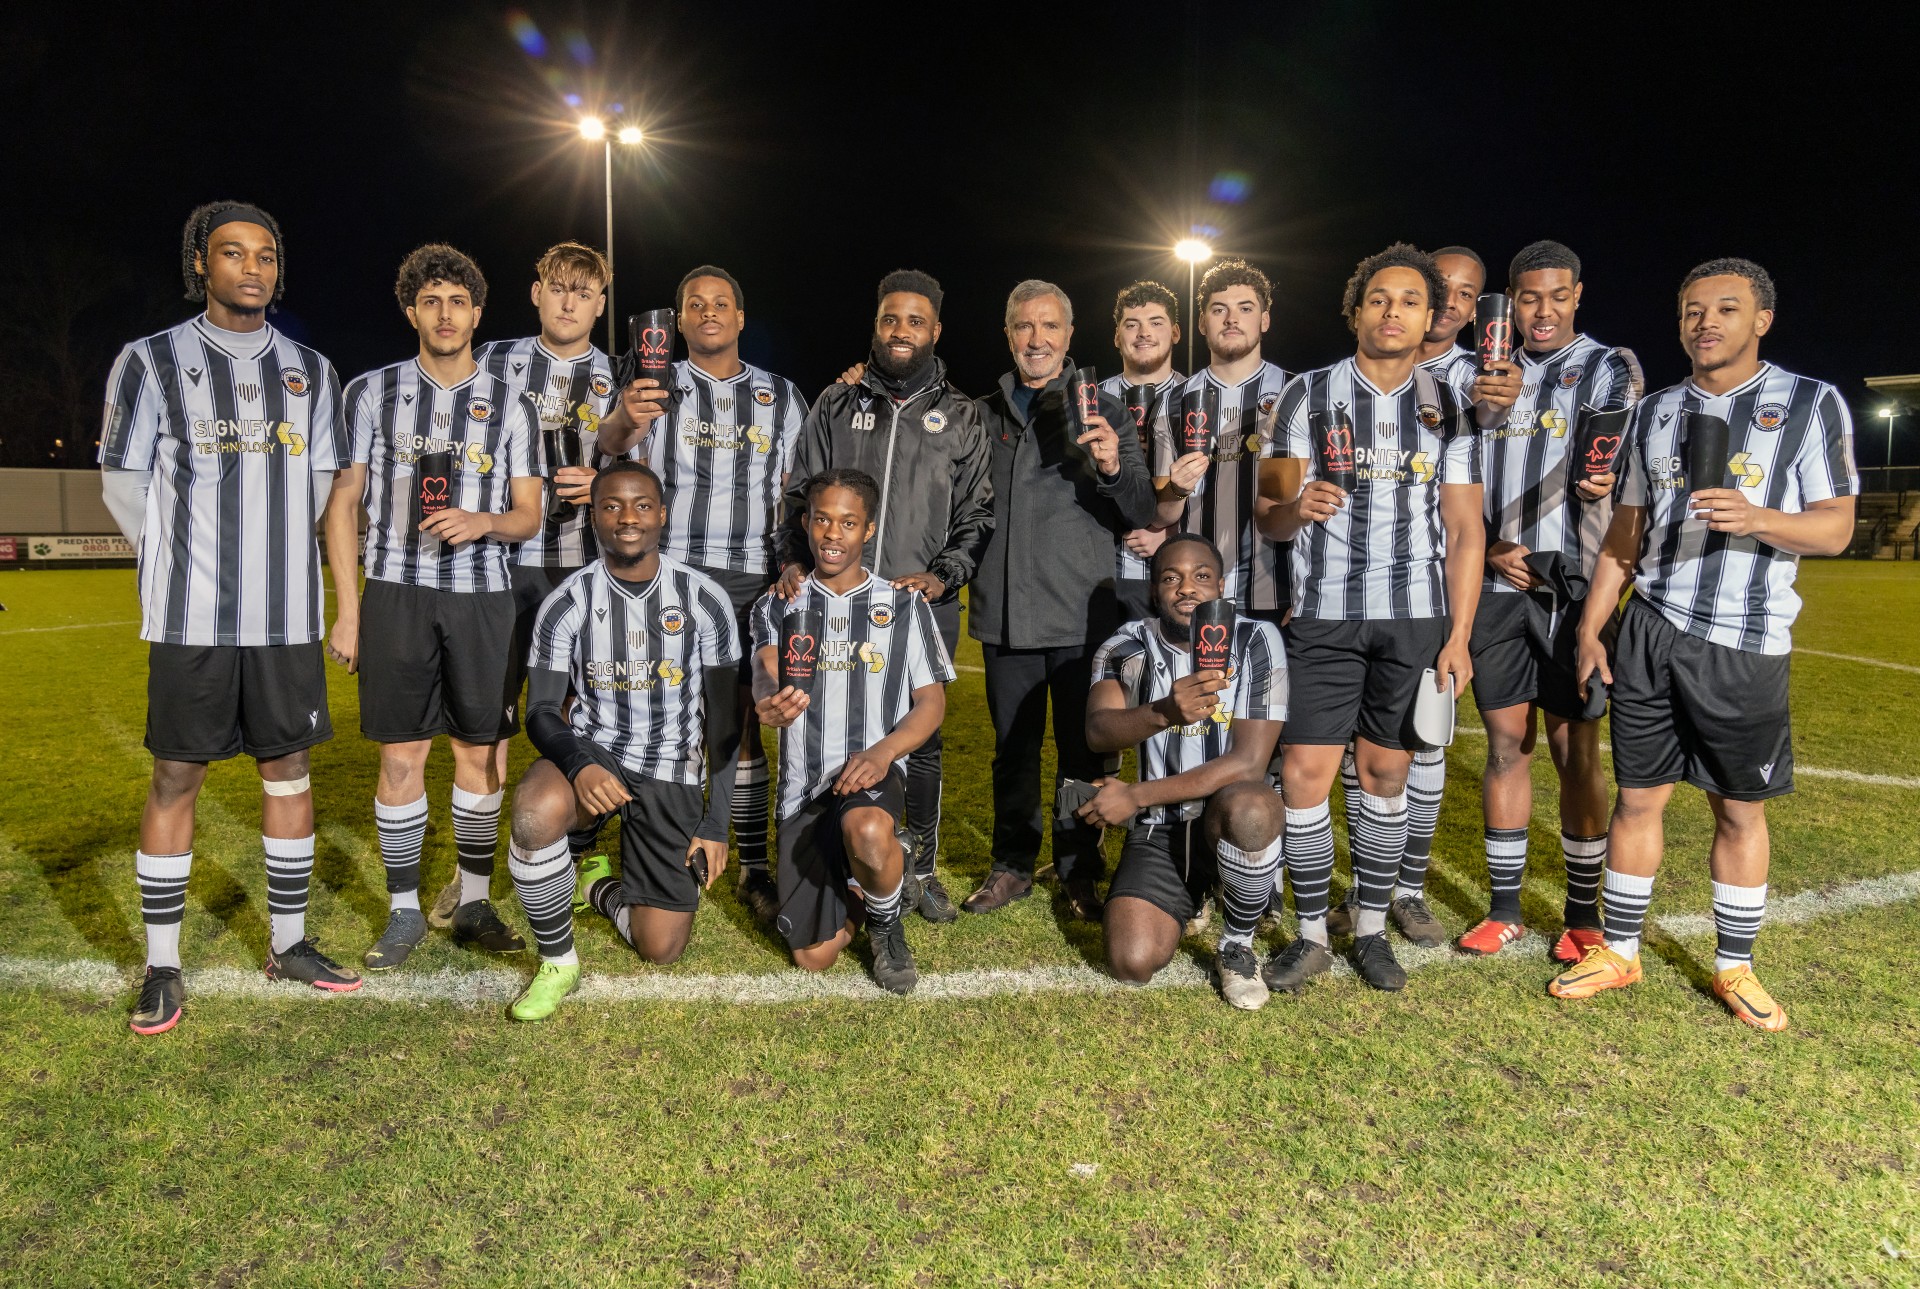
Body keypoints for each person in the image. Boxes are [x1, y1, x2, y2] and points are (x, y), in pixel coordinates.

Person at [1550, 258, 1857, 1032]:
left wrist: (1756, 518)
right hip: (1651, 627)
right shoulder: (1653, 412)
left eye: (1726, 308)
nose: (1706, 322)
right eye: (1692, 310)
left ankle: (1734, 965)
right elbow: (1625, 531)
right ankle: (1618, 949)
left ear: (1761, 321)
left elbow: (1836, 527)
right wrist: (1593, 625)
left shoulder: (1811, 403)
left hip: (1743, 639)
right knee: (1638, 797)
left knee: (1738, 810)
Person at [101, 201, 362, 1034]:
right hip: (191, 621)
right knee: (177, 777)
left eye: (265, 256)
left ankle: (289, 943)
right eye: (232, 253)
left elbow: (327, 490)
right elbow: (122, 484)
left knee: (289, 774)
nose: (252, 267)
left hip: (284, 617)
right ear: (201, 266)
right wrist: (178, 562)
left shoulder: (312, 371)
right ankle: (164, 965)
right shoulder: (149, 361)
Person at [1259, 243, 1483, 994]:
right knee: (1304, 774)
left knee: (1388, 772)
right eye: (1379, 299)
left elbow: (1465, 529)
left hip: (1415, 618)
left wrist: (1457, 634)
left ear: (1430, 316)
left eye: (1410, 301)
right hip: (1324, 613)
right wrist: (1297, 506)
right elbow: (1268, 512)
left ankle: (1371, 926)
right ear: (1356, 310)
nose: (1393, 312)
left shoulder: (1452, 404)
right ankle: (1313, 931)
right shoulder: (1305, 395)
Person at [324, 243, 541, 971]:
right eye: (431, 301)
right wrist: (349, 610)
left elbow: (529, 513)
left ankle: (473, 900)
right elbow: (343, 505)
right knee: (402, 754)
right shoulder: (371, 392)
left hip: (483, 597)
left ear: (477, 313)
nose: (445, 314)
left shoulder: (513, 401)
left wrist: (484, 521)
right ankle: (404, 910)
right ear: (411, 309)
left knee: (479, 754)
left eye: (458, 302)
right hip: (397, 592)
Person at [774, 269, 993, 923]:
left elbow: (978, 513)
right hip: (835, 603)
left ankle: (920, 868)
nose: (902, 331)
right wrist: (791, 558)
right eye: (891, 318)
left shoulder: (962, 415)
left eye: (916, 320)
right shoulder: (836, 404)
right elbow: (798, 493)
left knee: (918, 740)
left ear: (936, 331)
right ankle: (834, 854)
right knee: (822, 723)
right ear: (876, 324)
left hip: (919, 605)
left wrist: (943, 573)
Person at [415, 241, 622, 929]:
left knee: (581, 718)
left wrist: (603, 485)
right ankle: (471, 876)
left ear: (600, 302)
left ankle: (579, 851)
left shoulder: (618, 374)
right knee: (487, 728)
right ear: (536, 292)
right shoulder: (495, 360)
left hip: (587, 574)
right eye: (557, 286)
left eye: (583, 291)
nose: (568, 300)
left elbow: (648, 476)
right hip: (499, 571)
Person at [596, 266, 807, 929]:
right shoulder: (654, 389)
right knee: (661, 715)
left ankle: (751, 867)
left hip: (752, 577)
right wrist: (626, 417)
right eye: (695, 304)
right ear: (679, 321)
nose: (709, 312)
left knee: (743, 723)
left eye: (722, 303)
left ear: (741, 318)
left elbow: (796, 491)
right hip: (675, 577)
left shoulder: (779, 394)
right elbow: (611, 452)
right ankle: (637, 844)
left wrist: (792, 560)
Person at [1452, 240, 1644, 961]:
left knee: (1574, 751)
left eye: (1556, 295)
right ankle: (1505, 910)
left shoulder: (1608, 366)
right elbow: (1462, 471)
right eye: (1527, 296)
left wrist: (1598, 483)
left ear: (1577, 295)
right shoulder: (1481, 375)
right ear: (1509, 301)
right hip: (1499, 584)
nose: (1542, 309)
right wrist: (1491, 541)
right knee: (1506, 746)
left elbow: (1613, 463)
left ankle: (1584, 913)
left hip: (1571, 586)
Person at [499, 462, 743, 1020]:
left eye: (640, 505)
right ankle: (558, 961)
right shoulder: (567, 602)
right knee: (536, 815)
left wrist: (714, 823)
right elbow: (539, 711)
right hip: (595, 752)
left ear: (661, 513)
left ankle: (598, 888)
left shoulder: (705, 600)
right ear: (594, 516)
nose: (626, 518)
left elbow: (727, 721)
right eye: (611, 506)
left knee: (661, 948)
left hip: (670, 767)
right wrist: (580, 764)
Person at [964, 280, 1157, 920]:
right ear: (1009, 335)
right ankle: (1012, 865)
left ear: (1070, 337)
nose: (1037, 339)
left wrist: (1109, 466)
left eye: (1050, 327)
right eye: (1024, 326)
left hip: (1084, 618)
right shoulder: (981, 412)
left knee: (1082, 753)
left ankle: (1080, 869)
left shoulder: (1105, 408)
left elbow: (1140, 510)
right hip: (1006, 615)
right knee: (1012, 750)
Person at [1329, 245, 1488, 945]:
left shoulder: (1477, 384)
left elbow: (1464, 523)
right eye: (1435, 289)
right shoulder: (1326, 389)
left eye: (1460, 293)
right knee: (1332, 758)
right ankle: (1348, 897)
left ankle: (1407, 889)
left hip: (1427, 600)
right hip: (1334, 603)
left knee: (1417, 749)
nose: (1444, 301)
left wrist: (1458, 631)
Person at [749, 469, 955, 994]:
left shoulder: (904, 604)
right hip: (804, 788)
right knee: (813, 957)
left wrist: (884, 752)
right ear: (806, 523)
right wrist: (767, 703)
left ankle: (886, 927)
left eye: (848, 522)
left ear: (868, 530)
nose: (833, 534)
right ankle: (880, 872)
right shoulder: (778, 603)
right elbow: (766, 669)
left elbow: (931, 703)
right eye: (822, 520)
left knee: (865, 827)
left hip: (870, 774)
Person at [1083, 535, 1288, 1009]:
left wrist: (1135, 795)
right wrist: (1163, 713)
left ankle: (1237, 943)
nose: (1186, 588)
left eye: (1201, 577)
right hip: (1162, 828)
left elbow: (1248, 762)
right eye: (1171, 578)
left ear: (1221, 586)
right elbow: (1098, 731)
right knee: (1130, 961)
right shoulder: (1126, 643)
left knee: (1252, 806)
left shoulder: (1257, 638)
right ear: (1155, 591)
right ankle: (1199, 891)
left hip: (1229, 815)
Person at [1150, 260, 1292, 625]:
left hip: (1281, 588)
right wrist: (1177, 490)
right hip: (1197, 595)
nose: (1232, 319)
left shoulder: (1298, 393)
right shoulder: (1174, 400)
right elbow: (1163, 512)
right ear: (1202, 323)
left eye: (1245, 308)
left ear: (1264, 320)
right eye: (1219, 310)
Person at [1100, 281, 1185, 621]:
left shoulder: (1198, 397)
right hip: (1101, 575)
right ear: (1117, 336)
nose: (1143, 333)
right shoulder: (1092, 400)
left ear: (1176, 332)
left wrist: (1173, 530)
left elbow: (1224, 485)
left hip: (1175, 570)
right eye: (1131, 324)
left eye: (1156, 322)